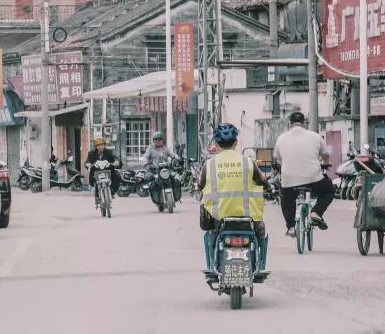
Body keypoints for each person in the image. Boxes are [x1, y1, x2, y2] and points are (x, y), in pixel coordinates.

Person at [198, 123, 269, 281]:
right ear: (236, 143)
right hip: (249, 217)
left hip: (219, 218)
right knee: (261, 234)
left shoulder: (208, 165)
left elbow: (200, 185)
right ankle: (260, 265)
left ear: (216, 144)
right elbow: (262, 181)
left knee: (212, 237)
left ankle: (212, 265)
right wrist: (270, 189)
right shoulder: (248, 162)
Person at [273, 110, 334, 236]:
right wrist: (325, 163)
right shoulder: (315, 136)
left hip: (289, 181)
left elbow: (278, 159)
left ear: (290, 124)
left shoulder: (281, 138)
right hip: (314, 180)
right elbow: (326, 155)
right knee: (329, 190)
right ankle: (316, 212)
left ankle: (290, 227)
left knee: (286, 199)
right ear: (304, 123)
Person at [143, 131, 181, 203]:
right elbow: (145, 157)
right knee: (148, 177)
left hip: (165, 169)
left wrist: (177, 158)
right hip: (153, 170)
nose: (158, 141)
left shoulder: (166, 149)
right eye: (156, 139)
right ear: (153, 140)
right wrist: (145, 162)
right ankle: (153, 193)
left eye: (160, 139)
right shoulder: (150, 149)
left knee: (176, 179)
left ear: (163, 140)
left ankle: (176, 195)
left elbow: (173, 155)